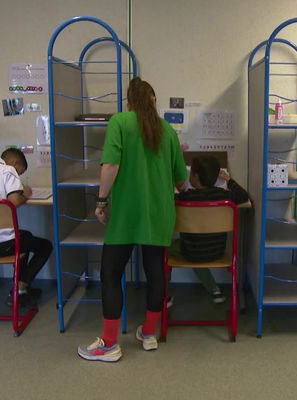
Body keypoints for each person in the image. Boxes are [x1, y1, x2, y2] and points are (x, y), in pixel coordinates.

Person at [77, 77, 187, 362]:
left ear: (128, 102)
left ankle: (110, 343)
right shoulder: (167, 131)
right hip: (159, 214)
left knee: (111, 274)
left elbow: (111, 164)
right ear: (153, 100)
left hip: (126, 213)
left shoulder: (120, 122)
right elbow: (181, 181)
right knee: (155, 274)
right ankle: (149, 334)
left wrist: (101, 201)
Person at [0, 148, 53, 309]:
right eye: (20, 172)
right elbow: (13, 201)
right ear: (15, 163)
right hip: (2, 244)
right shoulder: (8, 170)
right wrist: (26, 193)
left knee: (24, 237)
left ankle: (22, 288)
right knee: (45, 246)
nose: (18, 176)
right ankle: (20, 288)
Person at [168, 155, 250, 305]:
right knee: (198, 247)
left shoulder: (185, 198)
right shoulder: (225, 196)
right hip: (217, 252)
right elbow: (243, 196)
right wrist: (229, 179)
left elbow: (166, 198)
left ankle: (164, 296)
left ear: (196, 176)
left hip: (190, 252)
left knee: (162, 247)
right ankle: (215, 290)